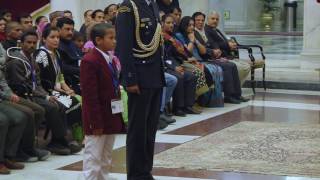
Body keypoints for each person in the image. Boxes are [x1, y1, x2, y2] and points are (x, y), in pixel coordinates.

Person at [5, 30, 79, 155]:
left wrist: (47, 95)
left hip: (35, 93)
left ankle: (58, 141)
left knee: (60, 104)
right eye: (28, 42)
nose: (32, 45)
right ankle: (60, 140)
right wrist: (45, 96)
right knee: (51, 107)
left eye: (34, 43)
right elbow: (22, 87)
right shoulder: (16, 61)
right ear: (21, 43)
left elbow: (37, 83)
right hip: (22, 95)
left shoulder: (31, 58)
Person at [116, 0, 165, 179]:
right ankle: (136, 174)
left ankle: (145, 170)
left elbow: (156, 43)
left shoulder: (152, 5)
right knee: (138, 129)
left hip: (155, 75)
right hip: (140, 76)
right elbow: (123, 46)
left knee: (150, 128)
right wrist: (130, 78)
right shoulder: (128, 7)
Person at [81, 23, 125, 180]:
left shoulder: (110, 59)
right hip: (97, 118)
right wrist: (96, 123)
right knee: (93, 158)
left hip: (110, 115)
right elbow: (90, 96)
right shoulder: (90, 60)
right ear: (98, 40)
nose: (115, 41)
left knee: (106, 157)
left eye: (115, 37)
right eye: (111, 38)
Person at [205, 11, 251, 86]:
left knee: (246, 66)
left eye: (217, 19)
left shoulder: (216, 30)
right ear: (208, 19)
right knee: (242, 67)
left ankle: (237, 88)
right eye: (212, 19)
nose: (215, 21)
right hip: (220, 57)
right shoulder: (207, 30)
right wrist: (228, 45)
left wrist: (230, 43)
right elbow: (214, 45)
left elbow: (224, 40)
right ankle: (235, 88)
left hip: (228, 55)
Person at [56, 17, 82, 94]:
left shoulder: (71, 43)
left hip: (79, 79)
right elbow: (62, 68)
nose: (70, 32)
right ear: (58, 29)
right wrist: (82, 70)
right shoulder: (56, 45)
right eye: (67, 29)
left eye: (72, 30)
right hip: (67, 84)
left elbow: (79, 58)